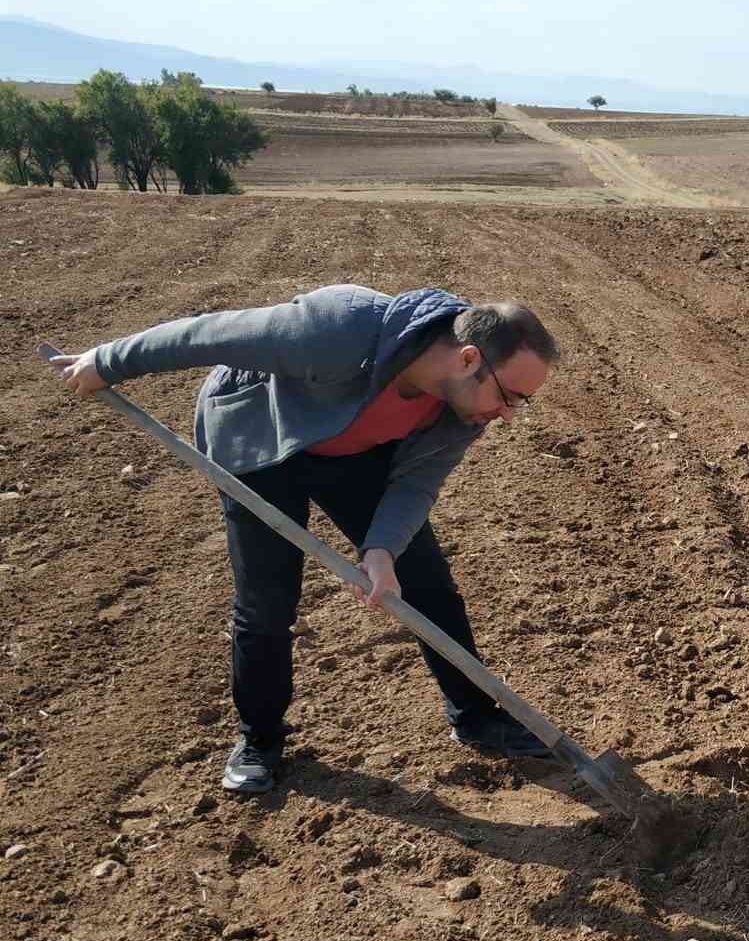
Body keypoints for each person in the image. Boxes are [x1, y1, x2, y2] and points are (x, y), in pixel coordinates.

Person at [50, 284, 561, 795]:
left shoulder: (464, 407)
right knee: (267, 603)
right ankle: (259, 740)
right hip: (261, 442)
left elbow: (417, 482)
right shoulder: (338, 329)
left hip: (352, 454)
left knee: (426, 581)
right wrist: (108, 360)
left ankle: (475, 714)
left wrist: (381, 550)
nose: (509, 414)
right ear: (468, 358)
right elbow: (208, 335)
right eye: (510, 396)